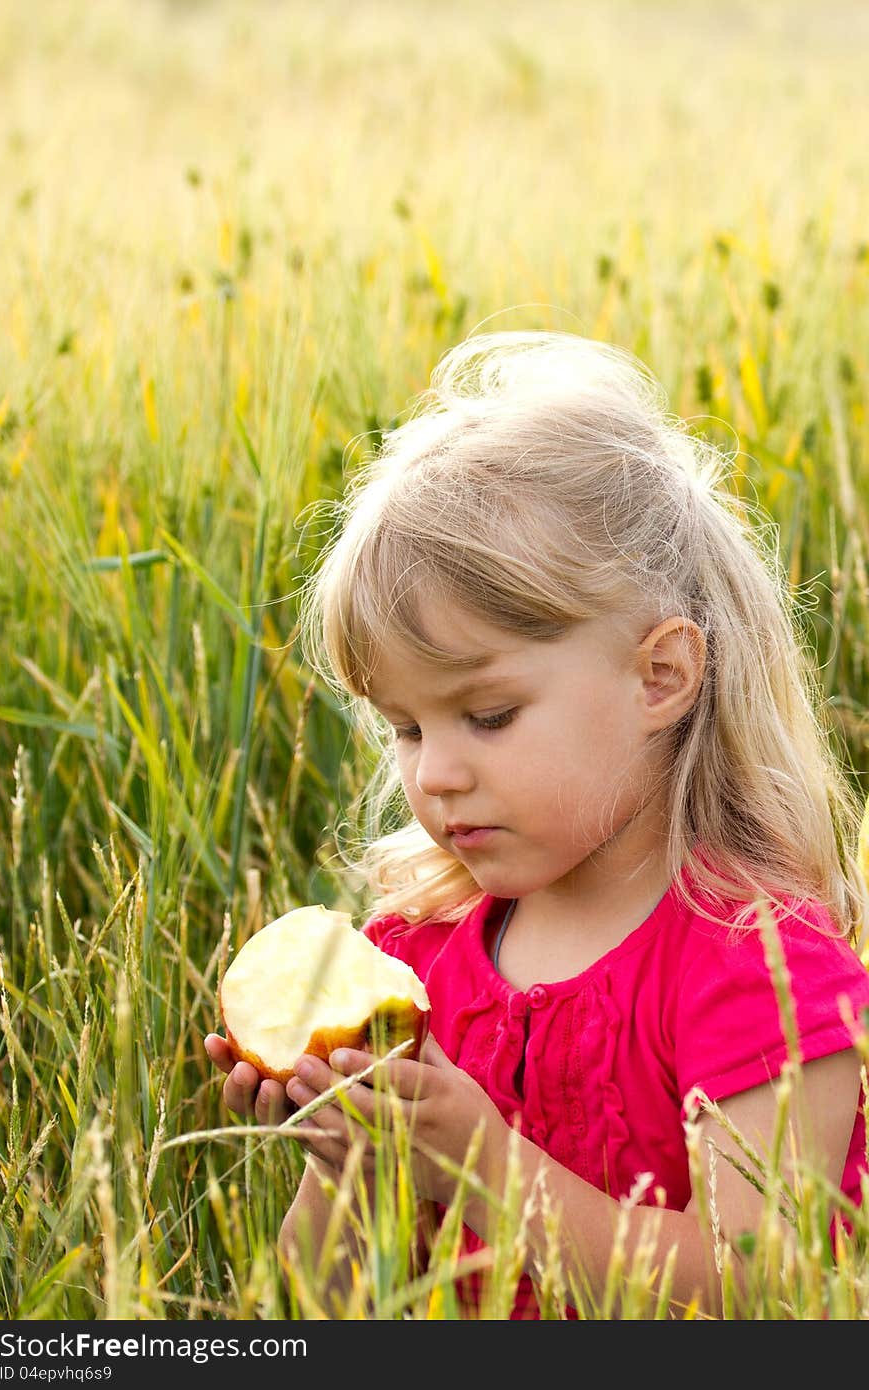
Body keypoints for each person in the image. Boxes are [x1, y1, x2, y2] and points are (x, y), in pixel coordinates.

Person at [205, 330, 869, 1318]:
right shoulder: (413, 961)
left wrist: (482, 1168)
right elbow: (322, 1306)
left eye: (487, 716)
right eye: (403, 726)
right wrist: (353, 1164)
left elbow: (758, 1285)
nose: (434, 772)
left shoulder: (756, 965)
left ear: (660, 677)